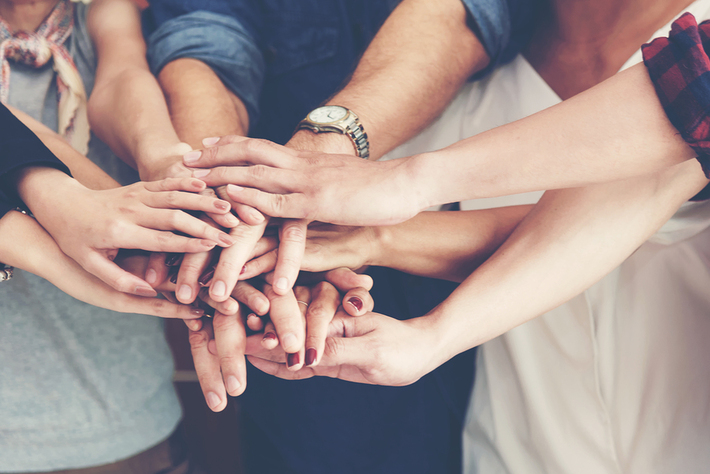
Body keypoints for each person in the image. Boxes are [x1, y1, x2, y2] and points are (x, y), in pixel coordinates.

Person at [208, 1, 710, 472]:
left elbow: (663, 148)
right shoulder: (478, 67)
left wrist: (388, 217)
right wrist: (307, 260)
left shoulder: (690, 51)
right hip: (513, 450)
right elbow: (618, 193)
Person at [143, 0, 538, 472]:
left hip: (490, 265)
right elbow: (204, 42)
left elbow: (458, 17)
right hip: (292, 291)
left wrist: (301, 171)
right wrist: (226, 208)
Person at [0, 0, 234, 471]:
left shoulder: (103, 18)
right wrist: (69, 205)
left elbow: (122, 78)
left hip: (127, 428)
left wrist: (168, 163)